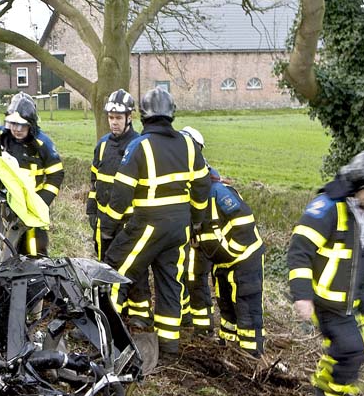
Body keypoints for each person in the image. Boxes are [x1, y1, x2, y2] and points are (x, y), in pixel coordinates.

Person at [103, 87, 210, 358]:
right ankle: (169, 349)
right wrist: (196, 221)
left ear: (142, 116)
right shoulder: (188, 144)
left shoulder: (139, 145)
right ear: (172, 114)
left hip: (148, 223)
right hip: (180, 227)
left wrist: (109, 227)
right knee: (171, 284)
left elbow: (121, 192)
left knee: (115, 270)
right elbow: (201, 187)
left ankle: (103, 333)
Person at [287, 149, 364, 396]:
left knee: (361, 347)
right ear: (358, 184)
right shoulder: (327, 207)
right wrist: (302, 295)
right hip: (327, 300)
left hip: (354, 304)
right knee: (351, 348)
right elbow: (299, 251)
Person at [86, 89, 152, 326]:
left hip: (130, 220)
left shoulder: (139, 145)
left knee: (134, 268)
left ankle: (140, 315)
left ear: (129, 117)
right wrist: (92, 210)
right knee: (105, 267)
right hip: (104, 218)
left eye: (118, 117)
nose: (114, 122)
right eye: (111, 117)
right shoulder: (102, 145)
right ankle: (111, 313)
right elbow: (95, 181)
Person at [196, 167, 265, 354]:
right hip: (222, 263)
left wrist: (231, 252)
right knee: (226, 308)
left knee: (246, 310)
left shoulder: (218, 192)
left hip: (244, 260)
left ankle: (251, 355)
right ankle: (228, 349)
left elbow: (243, 223)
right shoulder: (197, 197)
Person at [0, 92, 64, 256]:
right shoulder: (0, 137)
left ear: (32, 124)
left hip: (32, 208)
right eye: (14, 124)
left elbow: (56, 175)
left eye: (23, 125)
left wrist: (41, 201)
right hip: (3, 206)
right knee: (3, 249)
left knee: (35, 252)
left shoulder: (43, 144)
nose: (17, 129)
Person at [179, 127, 215, 336]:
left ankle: (203, 328)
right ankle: (187, 318)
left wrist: (196, 230)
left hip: (199, 237)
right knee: (184, 276)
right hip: (189, 233)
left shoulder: (202, 172)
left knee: (195, 277)